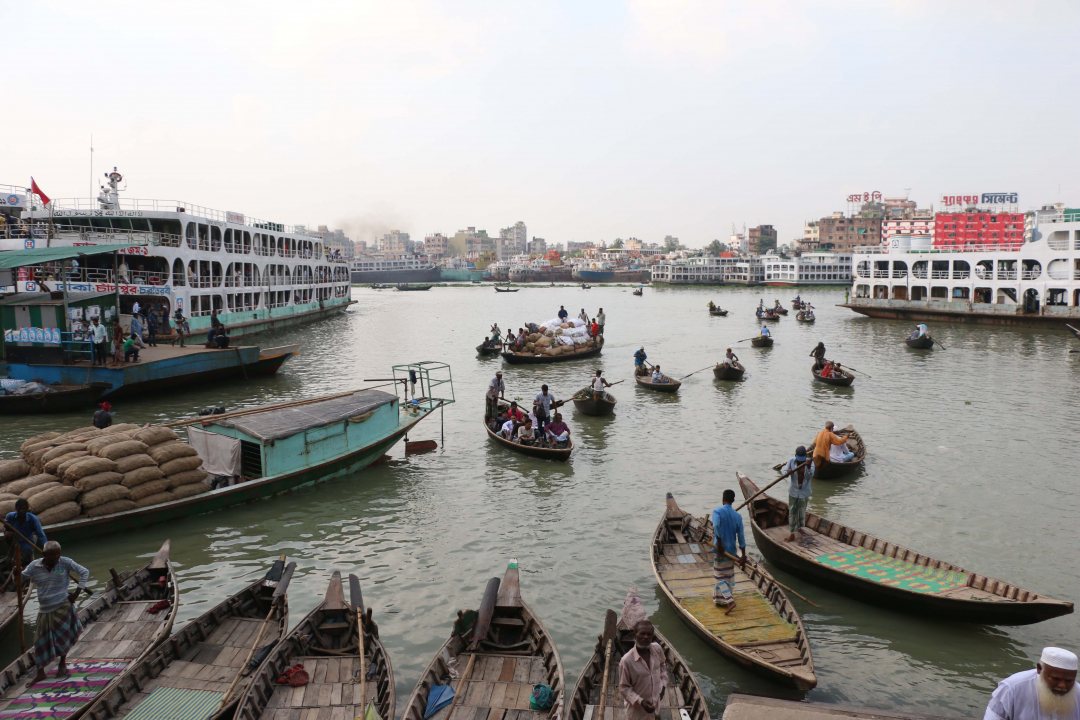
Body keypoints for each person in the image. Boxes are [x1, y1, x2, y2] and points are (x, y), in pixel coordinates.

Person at [22, 541, 91, 684]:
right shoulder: (34, 566)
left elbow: (84, 572)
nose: (56, 558)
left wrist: (77, 593)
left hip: (63, 606)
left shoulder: (65, 562)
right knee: (39, 642)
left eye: (58, 555)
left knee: (63, 637)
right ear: (44, 555)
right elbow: (22, 577)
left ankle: (62, 664)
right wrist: (16, 573)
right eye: (52, 556)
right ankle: (40, 672)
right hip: (45, 609)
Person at [984, 647, 1079, 720]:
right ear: (1039, 669)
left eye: (1069, 681)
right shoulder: (1012, 689)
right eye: (1055, 679)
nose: (1062, 686)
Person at [618, 620, 669, 720]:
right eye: (642, 633)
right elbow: (624, 688)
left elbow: (663, 665)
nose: (645, 637)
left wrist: (663, 685)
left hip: (655, 703)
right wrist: (641, 702)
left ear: (652, 637)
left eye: (649, 634)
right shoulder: (626, 661)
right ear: (635, 635)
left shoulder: (657, 649)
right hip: (637, 711)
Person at [710, 489, 746, 610]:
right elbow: (741, 536)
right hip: (731, 550)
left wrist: (719, 542)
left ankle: (729, 601)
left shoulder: (717, 512)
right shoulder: (737, 516)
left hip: (720, 550)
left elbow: (715, 525)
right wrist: (743, 555)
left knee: (719, 576)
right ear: (733, 500)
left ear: (723, 499)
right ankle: (722, 600)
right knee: (728, 575)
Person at [785, 446, 815, 542]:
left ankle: (800, 529)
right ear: (795, 456)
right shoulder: (791, 461)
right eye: (799, 460)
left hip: (804, 492)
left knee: (801, 512)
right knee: (792, 512)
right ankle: (792, 533)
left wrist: (808, 467)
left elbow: (809, 476)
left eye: (802, 460)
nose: (800, 462)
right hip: (793, 492)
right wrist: (787, 472)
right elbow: (783, 471)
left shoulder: (811, 463)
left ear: (805, 456)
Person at [4, 498, 47, 563]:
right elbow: (6, 528)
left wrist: (46, 548)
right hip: (15, 539)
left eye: (23, 509)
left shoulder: (33, 519)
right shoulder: (10, 516)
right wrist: (7, 527)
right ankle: (13, 553)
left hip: (29, 539)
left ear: (27, 509)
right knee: (8, 535)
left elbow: (41, 535)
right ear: (16, 509)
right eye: (19, 509)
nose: (21, 511)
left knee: (27, 552)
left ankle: (26, 558)